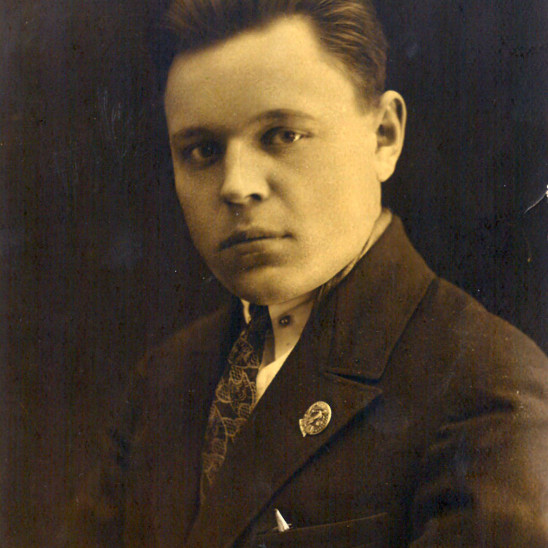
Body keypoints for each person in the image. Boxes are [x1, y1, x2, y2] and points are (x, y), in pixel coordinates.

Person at [66, 0, 548, 546]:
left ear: (384, 135)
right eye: (202, 150)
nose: (236, 185)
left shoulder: (486, 387)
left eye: (283, 135)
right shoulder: (165, 381)